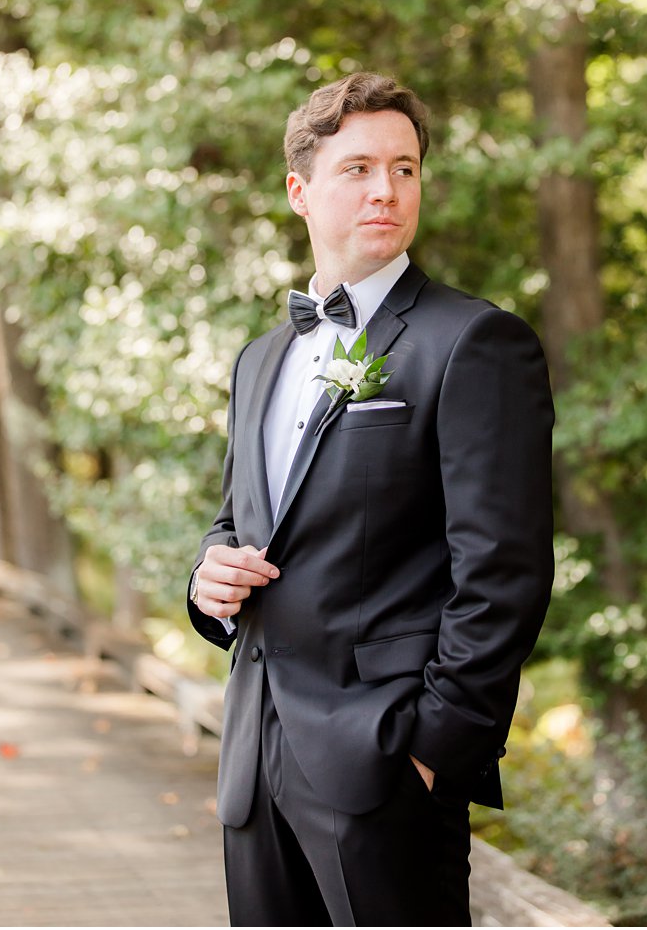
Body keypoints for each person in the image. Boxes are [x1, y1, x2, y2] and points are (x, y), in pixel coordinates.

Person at [186, 72, 554, 926]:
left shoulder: (474, 342)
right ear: (300, 190)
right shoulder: (259, 359)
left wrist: (434, 749)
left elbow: (505, 571)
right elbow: (241, 519)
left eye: (405, 167)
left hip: (387, 764)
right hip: (254, 756)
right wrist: (208, 579)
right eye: (357, 169)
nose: (386, 189)